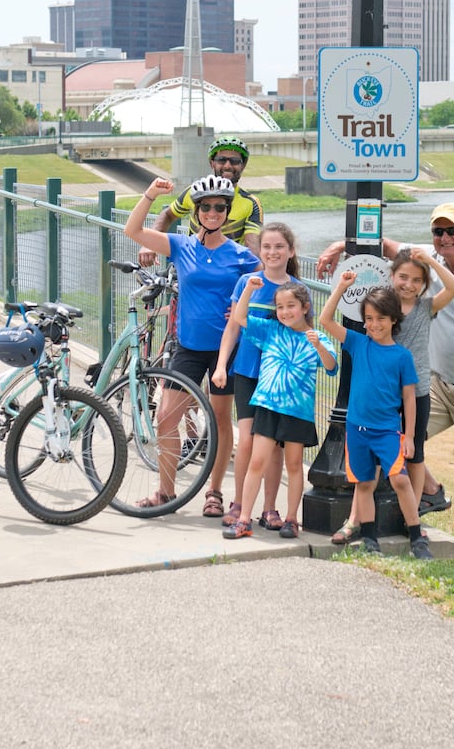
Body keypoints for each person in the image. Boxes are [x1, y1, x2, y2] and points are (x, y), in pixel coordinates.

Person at [317, 202, 454, 561]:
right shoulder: (426, 261)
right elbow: (387, 246)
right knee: (393, 441)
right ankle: (407, 504)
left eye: (453, 231)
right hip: (432, 383)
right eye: (438, 231)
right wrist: (342, 247)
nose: (445, 238)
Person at [122, 174, 259, 514]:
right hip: (188, 347)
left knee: (219, 421)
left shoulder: (241, 255)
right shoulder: (180, 246)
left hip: (226, 351)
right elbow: (133, 231)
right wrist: (149, 195)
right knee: (166, 419)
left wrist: (246, 306)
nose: (213, 213)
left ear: (227, 212)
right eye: (206, 207)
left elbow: (274, 287)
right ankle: (165, 492)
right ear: (196, 212)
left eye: (220, 208)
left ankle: (213, 493)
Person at [331, 245, 454, 546]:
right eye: (403, 277)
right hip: (382, 395)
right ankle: (354, 521)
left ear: (424, 284)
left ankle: (411, 517)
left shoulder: (428, 307)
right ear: (391, 277)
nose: (409, 284)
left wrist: (429, 260)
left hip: (416, 392)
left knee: (414, 456)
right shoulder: (384, 309)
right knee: (368, 466)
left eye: (417, 280)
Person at [319, 273, 431, 560]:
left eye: (381, 318)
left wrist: (407, 436)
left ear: (394, 319)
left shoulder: (402, 356)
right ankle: (369, 538)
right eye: (368, 318)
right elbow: (325, 321)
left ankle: (417, 537)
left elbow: (409, 398)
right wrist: (342, 287)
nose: (373, 325)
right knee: (365, 484)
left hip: (388, 431)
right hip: (357, 430)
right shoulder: (358, 343)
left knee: (400, 480)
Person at [216, 277, 336, 541]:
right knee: (256, 462)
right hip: (268, 406)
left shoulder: (315, 337)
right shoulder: (270, 330)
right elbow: (241, 316)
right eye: (280, 307)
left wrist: (317, 344)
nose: (284, 312)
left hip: (298, 411)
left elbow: (330, 366)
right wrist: (248, 289)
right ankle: (244, 518)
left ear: (305, 307)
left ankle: (292, 519)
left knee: (293, 465)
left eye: (290, 306)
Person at [212, 223, 300, 530]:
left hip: (278, 377)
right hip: (248, 371)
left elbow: (303, 335)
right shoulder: (247, 282)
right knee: (247, 441)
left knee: (274, 444)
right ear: (259, 251)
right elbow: (234, 327)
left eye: (279, 247)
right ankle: (239, 502)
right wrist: (222, 365)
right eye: (267, 247)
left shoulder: (296, 290)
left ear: (291, 251)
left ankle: (270, 508)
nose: (273, 253)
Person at [138, 136, 262, 267]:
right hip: (192, 265)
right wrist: (149, 244)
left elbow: (253, 247)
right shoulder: (195, 192)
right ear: (212, 163)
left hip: (227, 269)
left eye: (235, 161)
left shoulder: (250, 203)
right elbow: (168, 214)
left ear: (243, 165)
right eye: (221, 160)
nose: (227, 165)